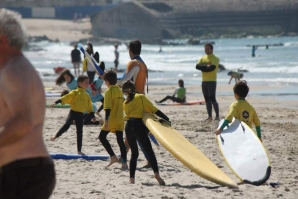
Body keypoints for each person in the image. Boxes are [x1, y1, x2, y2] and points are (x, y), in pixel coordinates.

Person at [0, 8, 55, 198]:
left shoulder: (14, 71)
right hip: (24, 170)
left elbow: (23, 122)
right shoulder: (15, 69)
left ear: (2, 40)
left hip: (25, 172)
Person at [122, 80, 169, 185]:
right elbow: (154, 110)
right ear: (134, 87)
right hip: (139, 126)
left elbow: (127, 117)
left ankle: (132, 179)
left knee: (134, 154)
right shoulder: (141, 97)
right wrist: (166, 119)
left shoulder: (125, 102)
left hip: (129, 127)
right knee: (149, 152)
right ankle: (156, 174)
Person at [50, 75, 96, 155]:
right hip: (73, 112)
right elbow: (65, 97)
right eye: (86, 82)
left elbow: (90, 107)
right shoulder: (75, 92)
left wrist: (93, 116)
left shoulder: (87, 95)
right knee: (66, 125)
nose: (88, 84)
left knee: (79, 132)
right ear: (80, 83)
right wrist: (56, 102)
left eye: (88, 82)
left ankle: (79, 151)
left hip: (80, 115)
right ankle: (55, 136)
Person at [98, 70, 128, 169]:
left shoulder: (108, 91)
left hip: (112, 120)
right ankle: (124, 163)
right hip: (120, 119)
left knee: (102, 137)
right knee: (120, 141)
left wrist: (106, 121)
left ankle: (113, 157)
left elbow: (108, 108)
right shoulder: (119, 90)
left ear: (107, 81)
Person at [195, 43, 220, 121]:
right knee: (206, 99)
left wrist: (203, 68)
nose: (206, 50)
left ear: (212, 49)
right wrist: (206, 67)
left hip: (212, 81)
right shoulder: (203, 58)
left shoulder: (215, 58)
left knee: (212, 98)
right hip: (204, 81)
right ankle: (210, 116)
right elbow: (197, 66)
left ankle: (217, 116)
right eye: (205, 49)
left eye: (208, 49)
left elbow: (212, 68)